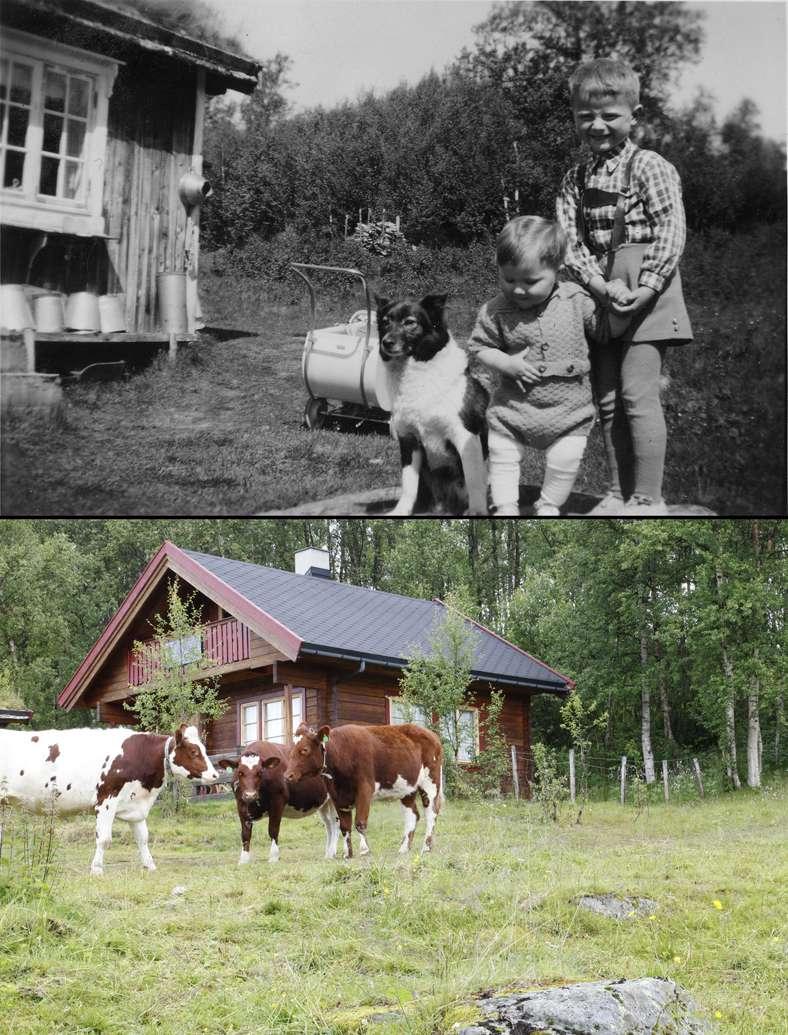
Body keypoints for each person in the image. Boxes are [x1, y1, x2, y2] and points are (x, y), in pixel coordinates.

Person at [556, 57, 693, 516]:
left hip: (647, 295)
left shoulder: (649, 167)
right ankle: (617, 493)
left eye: (609, 115)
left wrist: (648, 286)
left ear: (633, 115)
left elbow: (671, 229)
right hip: (601, 296)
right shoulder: (574, 178)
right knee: (608, 399)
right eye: (585, 117)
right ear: (575, 117)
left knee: (638, 395)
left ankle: (648, 498)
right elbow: (568, 243)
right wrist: (596, 284)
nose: (597, 126)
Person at [469, 215, 601, 516]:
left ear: (557, 269)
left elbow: (602, 329)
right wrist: (506, 363)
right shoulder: (495, 310)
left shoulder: (576, 299)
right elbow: (479, 346)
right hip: (514, 409)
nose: (518, 289)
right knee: (502, 452)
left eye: (530, 281)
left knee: (566, 458)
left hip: (569, 411)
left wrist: (618, 303)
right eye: (508, 279)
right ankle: (504, 506)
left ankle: (550, 504)